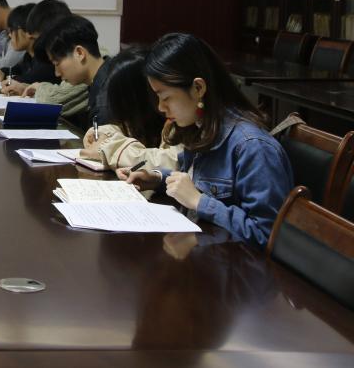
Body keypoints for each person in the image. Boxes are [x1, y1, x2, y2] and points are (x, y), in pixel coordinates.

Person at [118, 33, 294, 249]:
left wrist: (199, 202)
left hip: (235, 265)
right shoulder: (202, 127)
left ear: (198, 88)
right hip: (205, 251)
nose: (161, 108)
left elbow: (267, 236)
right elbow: (195, 180)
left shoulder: (253, 147)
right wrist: (157, 178)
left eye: (166, 98)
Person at [77, 48, 181, 171]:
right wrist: (105, 133)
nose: (161, 106)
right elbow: (126, 129)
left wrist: (110, 149)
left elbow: (171, 161)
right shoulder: (146, 120)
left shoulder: (179, 121)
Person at [42, 14, 110, 129]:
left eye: (57, 63)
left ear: (79, 53)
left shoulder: (107, 94)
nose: (57, 73)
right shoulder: (104, 78)